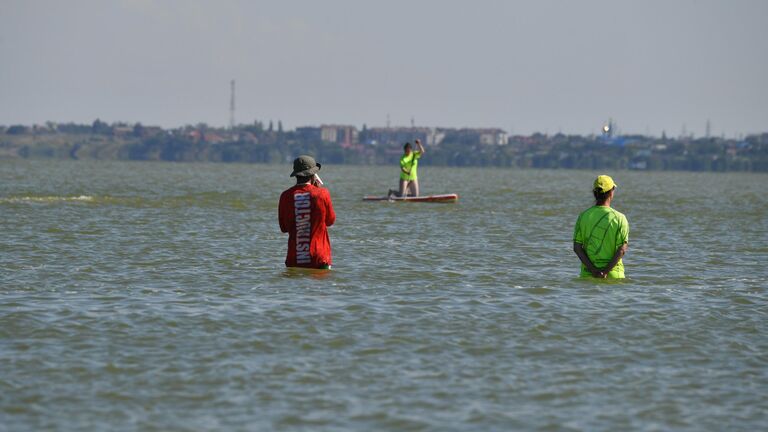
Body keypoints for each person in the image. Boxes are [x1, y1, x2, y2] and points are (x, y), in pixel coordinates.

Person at [278, 155, 335, 269]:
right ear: (313, 175)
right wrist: (317, 191)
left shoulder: (285, 196)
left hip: (294, 259)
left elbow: (283, 228)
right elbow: (330, 221)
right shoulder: (322, 194)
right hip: (318, 258)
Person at [573, 175, 629, 278]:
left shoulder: (583, 216)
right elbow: (622, 250)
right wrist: (606, 272)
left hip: (588, 275)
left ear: (594, 193)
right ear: (611, 192)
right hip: (614, 276)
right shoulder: (620, 218)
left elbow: (577, 248)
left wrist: (594, 271)